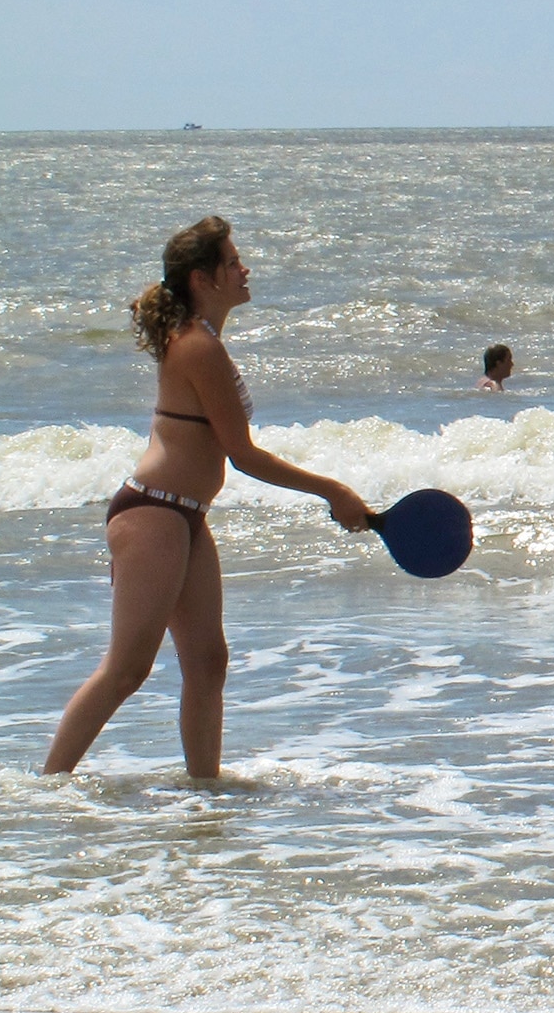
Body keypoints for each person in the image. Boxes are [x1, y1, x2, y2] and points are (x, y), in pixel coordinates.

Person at [43, 217, 376, 780]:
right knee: (127, 669)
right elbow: (242, 454)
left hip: (184, 517)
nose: (245, 270)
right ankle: (48, 789)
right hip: (153, 512)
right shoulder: (197, 347)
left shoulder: (203, 340)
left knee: (207, 663)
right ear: (203, 278)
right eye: (233, 262)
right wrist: (333, 491)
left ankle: (206, 793)